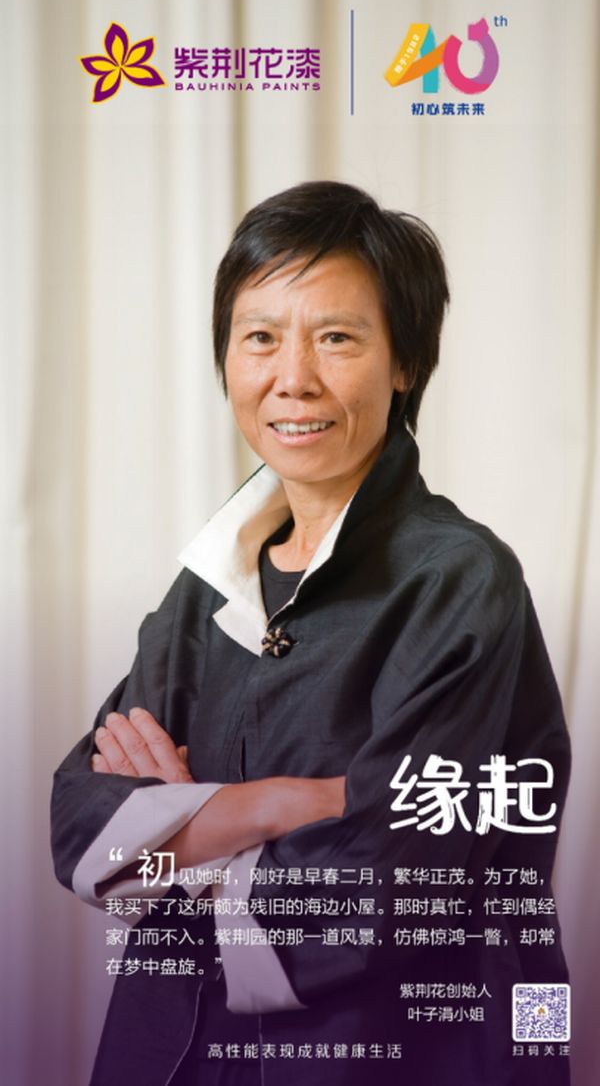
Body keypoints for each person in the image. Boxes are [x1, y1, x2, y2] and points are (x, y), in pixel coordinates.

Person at [51, 181, 571, 1086]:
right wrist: (287, 802)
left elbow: (384, 885)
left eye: (336, 337)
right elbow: (81, 828)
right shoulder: (209, 582)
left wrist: (183, 827)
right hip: (179, 1048)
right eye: (260, 337)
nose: (292, 377)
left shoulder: (459, 579)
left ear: (405, 362)